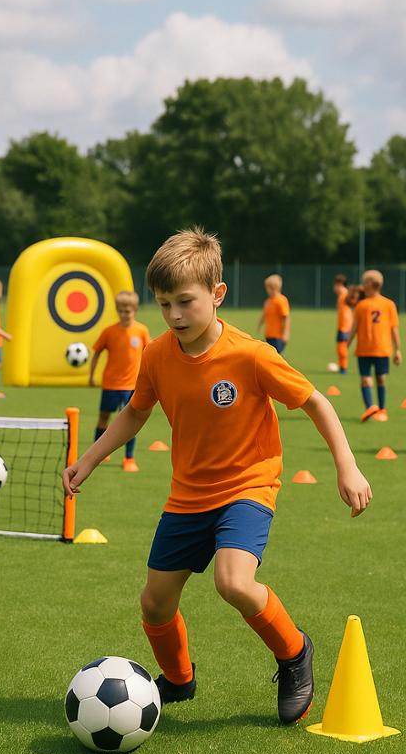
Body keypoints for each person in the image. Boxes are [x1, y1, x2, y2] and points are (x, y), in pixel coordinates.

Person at [63, 228, 372, 725]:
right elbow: (135, 414)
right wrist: (90, 457)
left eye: (185, 301)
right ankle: (180, 681)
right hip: (187, 495)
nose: (175, 315)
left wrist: (347, 465)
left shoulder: (251, 354)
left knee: (233, 581)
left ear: (217, 294)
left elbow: (315, 401)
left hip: (247, 487)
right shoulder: (158, 355)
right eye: (164, 304)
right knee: (155, 603)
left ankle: (294, 654)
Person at [88, 291, 150, 472]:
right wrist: (91, 376)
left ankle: (129, 458)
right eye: (121, 311)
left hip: (132, 386)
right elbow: (97, 352)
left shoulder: (141, 331)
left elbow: (150, 354)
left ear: (135, 310)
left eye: (128, 311)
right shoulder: (109, 331)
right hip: (110, 385)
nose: (124, 314)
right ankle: (98, 454)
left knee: (130, 422)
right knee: (103, 419)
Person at [348, 270, 401, 422]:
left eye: (364, 282)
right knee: (365, 379)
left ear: (371, 284)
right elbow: (355, 327)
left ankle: (382, 409)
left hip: (382, 349)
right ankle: (370, 407)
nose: (362, 285)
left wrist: (398, 350)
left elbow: (394, 328)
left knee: (380, 379)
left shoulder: (388, 304)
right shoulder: (361, 305)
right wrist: (348, 343)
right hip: (364, 349)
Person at [256, 274, 290, 354]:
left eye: (267, 287)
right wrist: (259, 324)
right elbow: (264, 315)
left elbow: (285, 318)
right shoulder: (268, 301)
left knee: (276, 358)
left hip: (278, 337)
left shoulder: (281, 301)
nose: (266, 290)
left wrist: (286, 334)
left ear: (273, 288)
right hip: (268, 335)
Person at [332, 274, 352, 373]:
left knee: (342, 347)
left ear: (339, 284)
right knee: (340, 346)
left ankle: (343, 368)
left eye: (335, 285)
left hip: (345, 325)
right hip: (342, 324)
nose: (334, 288)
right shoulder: (342, 295)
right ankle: (341, 366)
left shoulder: (345, 294)